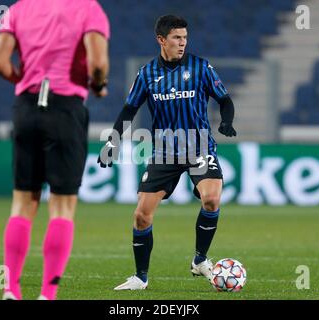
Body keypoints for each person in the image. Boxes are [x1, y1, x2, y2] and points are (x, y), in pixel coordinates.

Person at [98, 15, 237, 290]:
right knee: (141, 215)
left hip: (199, 147)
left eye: (184, 37)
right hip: (165, 152)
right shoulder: (147, 74)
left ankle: (200, 260)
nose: (182, 42)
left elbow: (225, 99)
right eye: (176, 38)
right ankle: (140, 278)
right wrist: (112, 142)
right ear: (161, 40)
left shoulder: (201, 67)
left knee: (211, 199)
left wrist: (226, 121)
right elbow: (129, 110)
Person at [0, 0, 110, 300]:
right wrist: (98, 84)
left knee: (22, 204)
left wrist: (24, 80)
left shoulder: (17, 10)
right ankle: (47, 294)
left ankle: (11, 289)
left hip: (26, 108)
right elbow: (97, 63)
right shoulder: (88, 9)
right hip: (64, 108)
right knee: (62, 206)